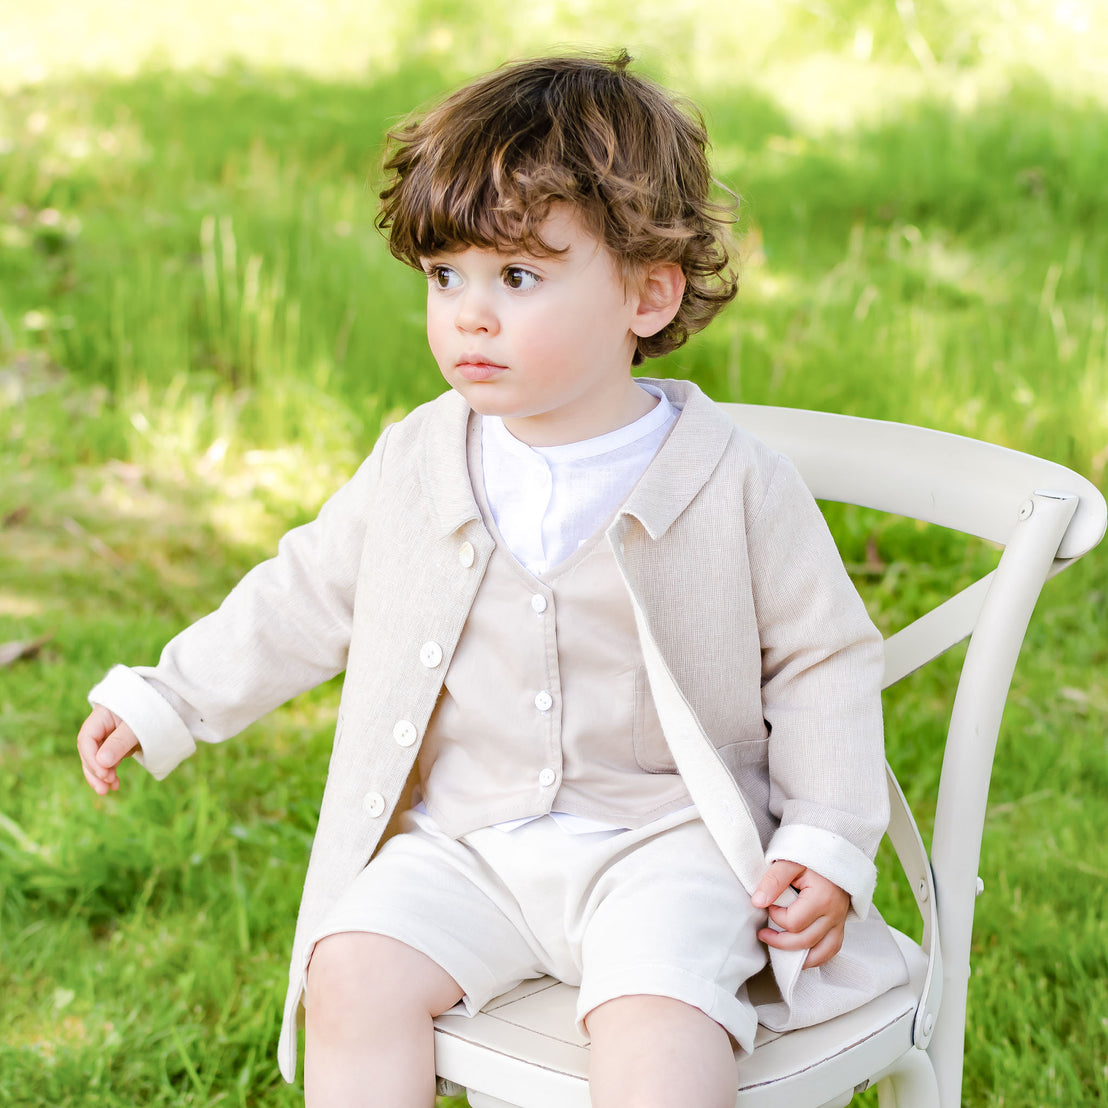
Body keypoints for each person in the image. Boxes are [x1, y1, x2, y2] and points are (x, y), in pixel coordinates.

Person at [77, 52, 907, 1108]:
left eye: (516, 277)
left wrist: (826, 837)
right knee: (351, 970)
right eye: (444, 277)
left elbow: (821, 659)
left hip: (666, 845)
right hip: (467, 841)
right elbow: (303, 595)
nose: (469, 314)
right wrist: (169, 697)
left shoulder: (731, 480)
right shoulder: (421, 463)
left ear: (647, 295)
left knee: (661, 1026)